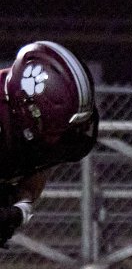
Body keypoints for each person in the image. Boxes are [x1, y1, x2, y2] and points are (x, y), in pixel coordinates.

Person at [0, 40, 99, 247]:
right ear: (27, 110)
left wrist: (19, 209)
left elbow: (32, 180)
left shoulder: (36, 134)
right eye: (55, 129)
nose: (62, 140)